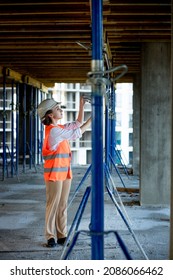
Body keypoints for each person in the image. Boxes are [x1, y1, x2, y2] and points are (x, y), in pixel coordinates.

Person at [37, 96, 91, 247]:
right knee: (52, 204)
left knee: (62, 205)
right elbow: (76, 133)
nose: (61, 110)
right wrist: (93, 119)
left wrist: (81, 106)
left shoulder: (59, 128)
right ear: (50, 115)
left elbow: (77, 124)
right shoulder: (53, 131)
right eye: (57, 109)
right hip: (54, 174)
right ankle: (50, 236)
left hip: (65, 173)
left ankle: (62, 235)